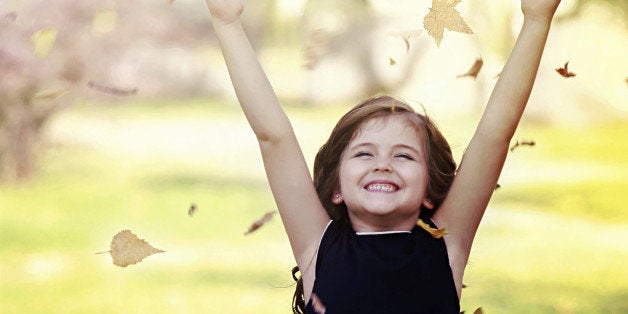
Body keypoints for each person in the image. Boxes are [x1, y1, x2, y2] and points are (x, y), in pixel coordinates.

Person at [203, 0, 561, 313]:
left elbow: (494, 136)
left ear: (430, 189)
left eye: (404, 156)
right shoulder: (318, 247)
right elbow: (274, 137)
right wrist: (227, 21)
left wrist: (536, 18)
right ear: (336, 188)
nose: (382, 164)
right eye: (363, 153)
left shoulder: (447, 246)